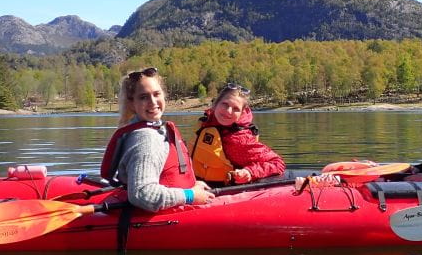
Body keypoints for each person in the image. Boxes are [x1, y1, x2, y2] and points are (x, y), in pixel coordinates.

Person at [100, 67, 214, 212]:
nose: (153, 102)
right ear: (132, 103)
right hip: (163, 219)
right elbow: (143, 194)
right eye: (143, 97)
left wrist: (192, 186)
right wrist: (190, 195)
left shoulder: (156, 128)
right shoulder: (146, 139)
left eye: (156, 94)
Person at [189, 83, 286, 187]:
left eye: (236, 109)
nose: (228, 111)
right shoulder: (207, 122)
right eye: (225, 104)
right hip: (195, 184)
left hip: (219, 189)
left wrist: (250, 172)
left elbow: (277, 163)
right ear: (216, 103)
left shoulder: (239, 140)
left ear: (241, 113)